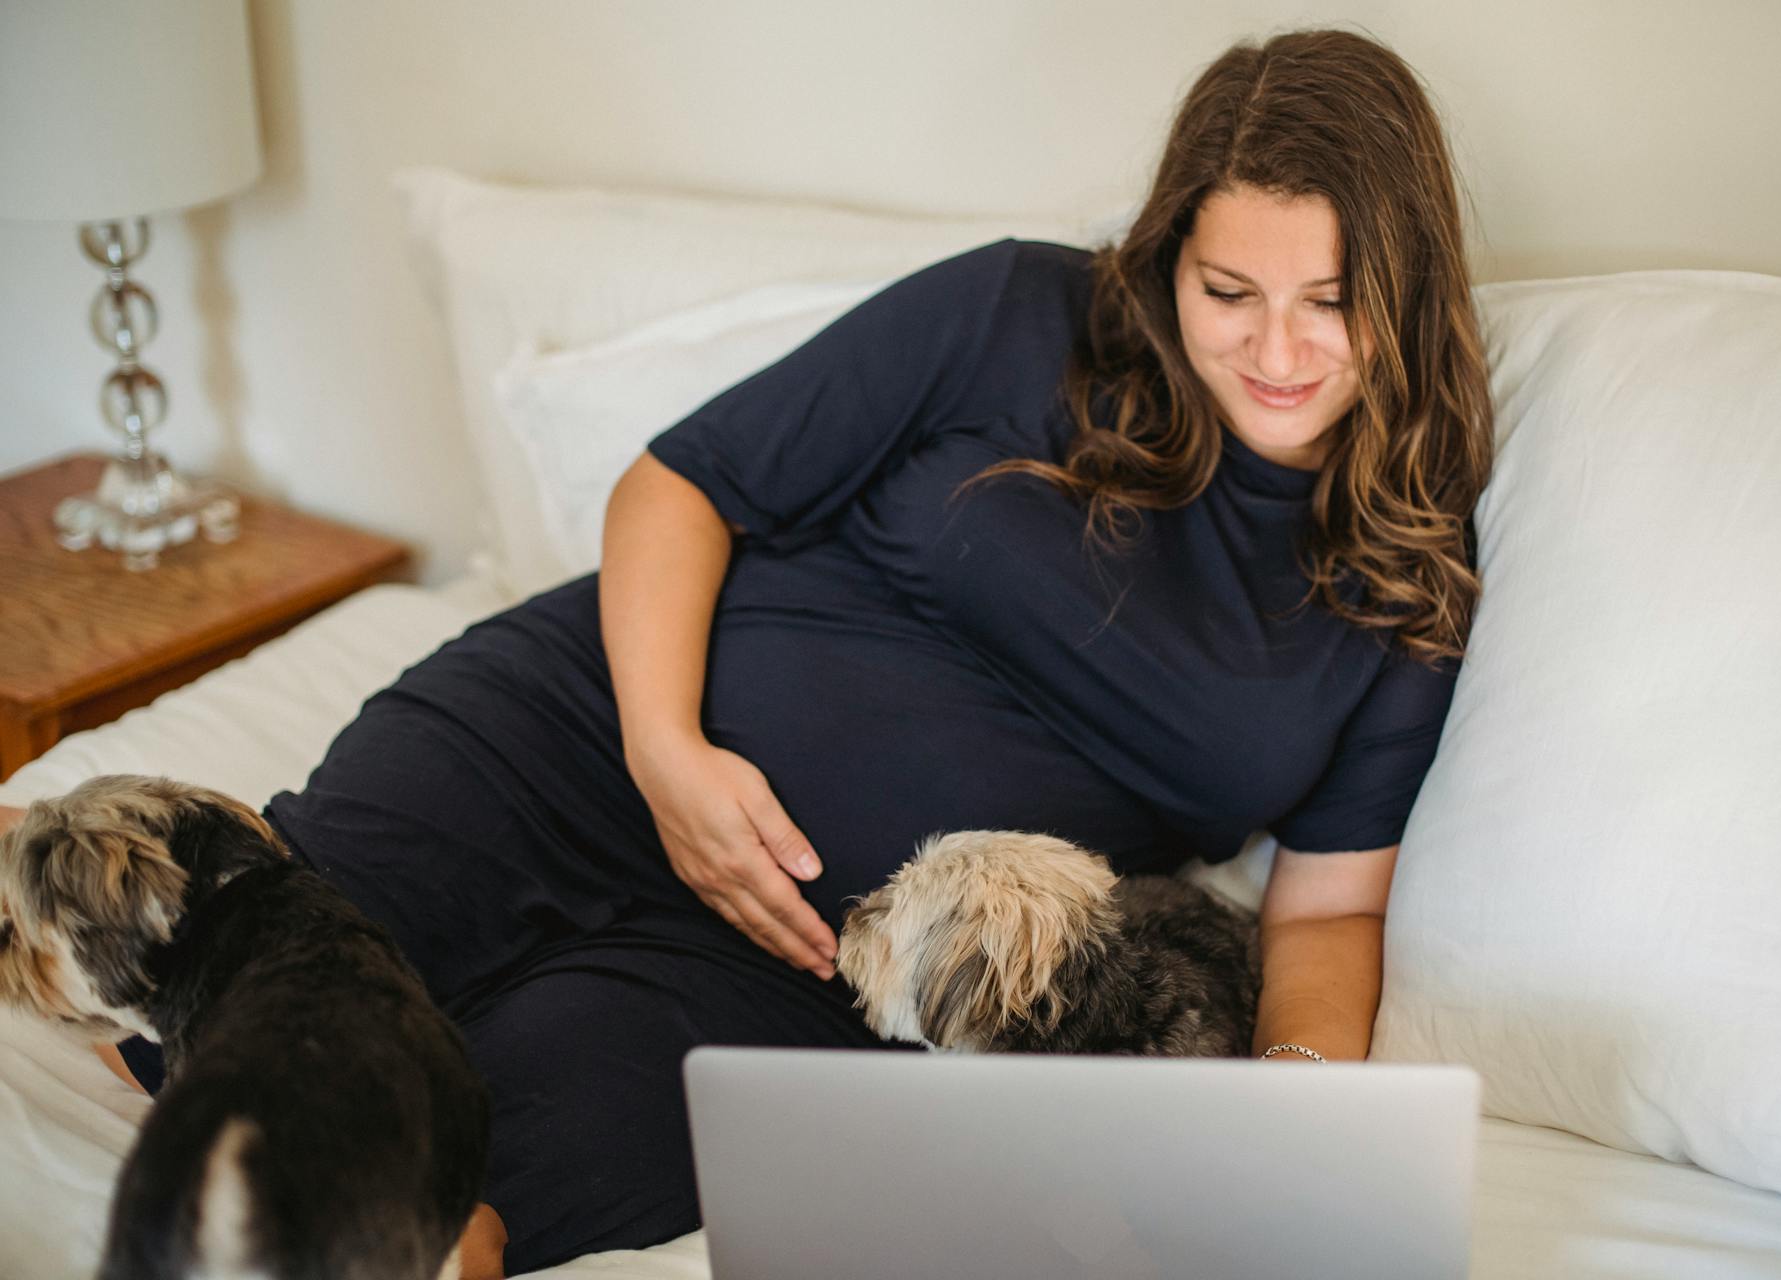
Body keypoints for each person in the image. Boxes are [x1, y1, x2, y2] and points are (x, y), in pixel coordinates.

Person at [72, 26, 1490, 1278]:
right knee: (255, 961)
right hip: (589, 728)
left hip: (817, 963)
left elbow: (1323, 918)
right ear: (1169, 254)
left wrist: (1293, 1110)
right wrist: (667, 752)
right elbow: (678, 489)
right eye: (1228, 290)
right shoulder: (1018, 313)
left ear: (1408, 288)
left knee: (466, 1178)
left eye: (1331, 300)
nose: (1278, 349)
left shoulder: (1398, 589)